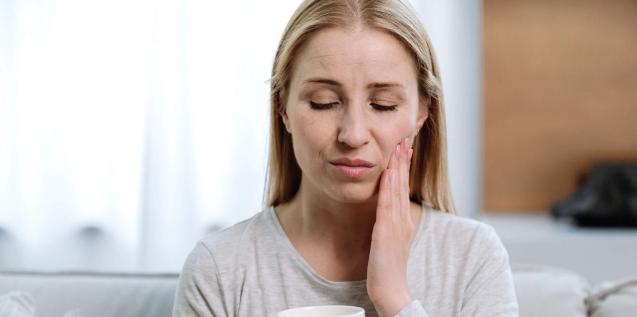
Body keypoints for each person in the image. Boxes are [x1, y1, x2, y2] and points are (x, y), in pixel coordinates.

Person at [172, 0, 519, 316]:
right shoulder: (218, 269)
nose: (353, 135)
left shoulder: (473, 257)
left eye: (383, 105)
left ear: (422, 113)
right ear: (283, 108)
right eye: (324, 102)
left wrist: (395, 298)